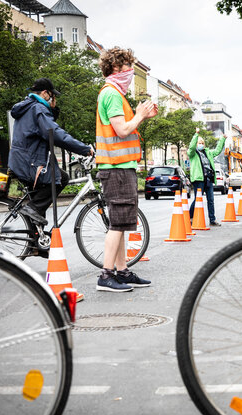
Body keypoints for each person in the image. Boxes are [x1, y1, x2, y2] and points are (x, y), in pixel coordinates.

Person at [95, 47, 156, 293]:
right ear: (116, 69)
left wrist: (143, 115)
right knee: (117, 224)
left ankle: (122, 272)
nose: (130, 73)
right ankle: (106, 275)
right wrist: (140, 115)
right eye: (126, 68)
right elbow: (121, 130)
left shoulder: (115, 94)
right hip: (116, 168)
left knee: (120, 223)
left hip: (119, 167)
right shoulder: (111, 94)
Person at [8, 78, 93, 226]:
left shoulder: (28, 107)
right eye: (52, 95)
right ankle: (32, 208)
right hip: (31, 162)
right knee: (61, 178)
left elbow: (46, 127)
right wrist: (84, 149)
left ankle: (37, 246)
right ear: (45, 93)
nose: (54, 98)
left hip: (23, 160)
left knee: (37, 208)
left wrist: (53, 110)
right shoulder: (38, 109)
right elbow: (55, 133)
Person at [188, 128, 227, 226]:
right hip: (198, 179)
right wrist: (196, 134)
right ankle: (189, 216)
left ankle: (212, 220)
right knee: (198, 199)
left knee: (211, 200)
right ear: (196, 143)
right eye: (199, 143)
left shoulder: (208, 152)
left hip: (208, 179)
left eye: (202, 143)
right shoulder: (192, 153)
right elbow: (191, 147)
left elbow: (217, 151)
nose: (201, 144)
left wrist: (222, 139)